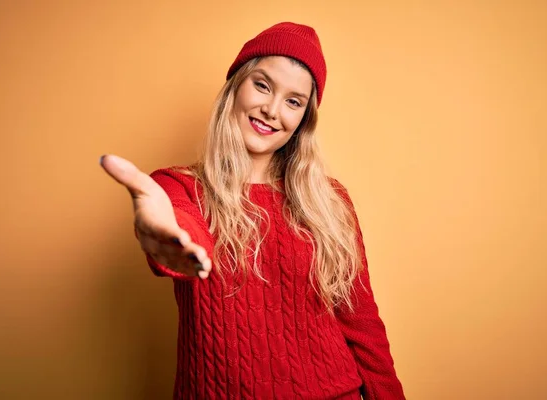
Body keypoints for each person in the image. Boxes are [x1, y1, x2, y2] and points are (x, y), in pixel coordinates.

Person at [101, 22, 405, 400]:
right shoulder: (180, 187)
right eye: (262, 85)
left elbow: (362, 324)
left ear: (303, 122)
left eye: (293, 101)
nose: (272, 110)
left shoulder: (330, 200)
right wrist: (166, 236)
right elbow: (178, 222)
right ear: (235, 87)